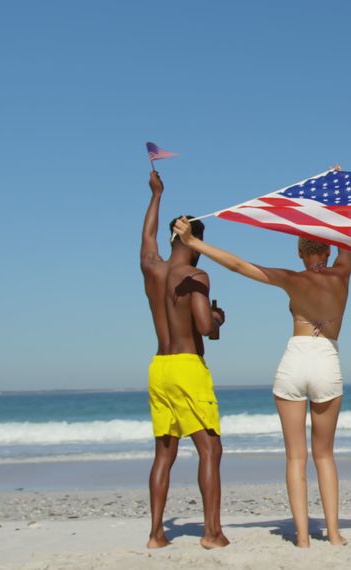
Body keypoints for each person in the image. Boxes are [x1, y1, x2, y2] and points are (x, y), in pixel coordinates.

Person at [173, 199, 351, 547]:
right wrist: (337, 195)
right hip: (326, 359)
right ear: (329, 250)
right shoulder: (343, 272)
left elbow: (239, 266)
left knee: (295, 457)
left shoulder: (291, 278)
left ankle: (302, 537)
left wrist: (192, 242)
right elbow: (347, 232)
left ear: (300, 254)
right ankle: (333, 534)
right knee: (325, 455)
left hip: (295, 360)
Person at [142, 190, 229, 549]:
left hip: (158, 367)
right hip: (187, 366)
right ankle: (212, 533)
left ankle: (156, 534)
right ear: (195, 242)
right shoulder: (196, 273)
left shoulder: (152, 266)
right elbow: (205, 326)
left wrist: (156, 194)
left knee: (165, 452)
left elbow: (147, 237)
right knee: (210, 448)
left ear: (171, 237)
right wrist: (219, 316)